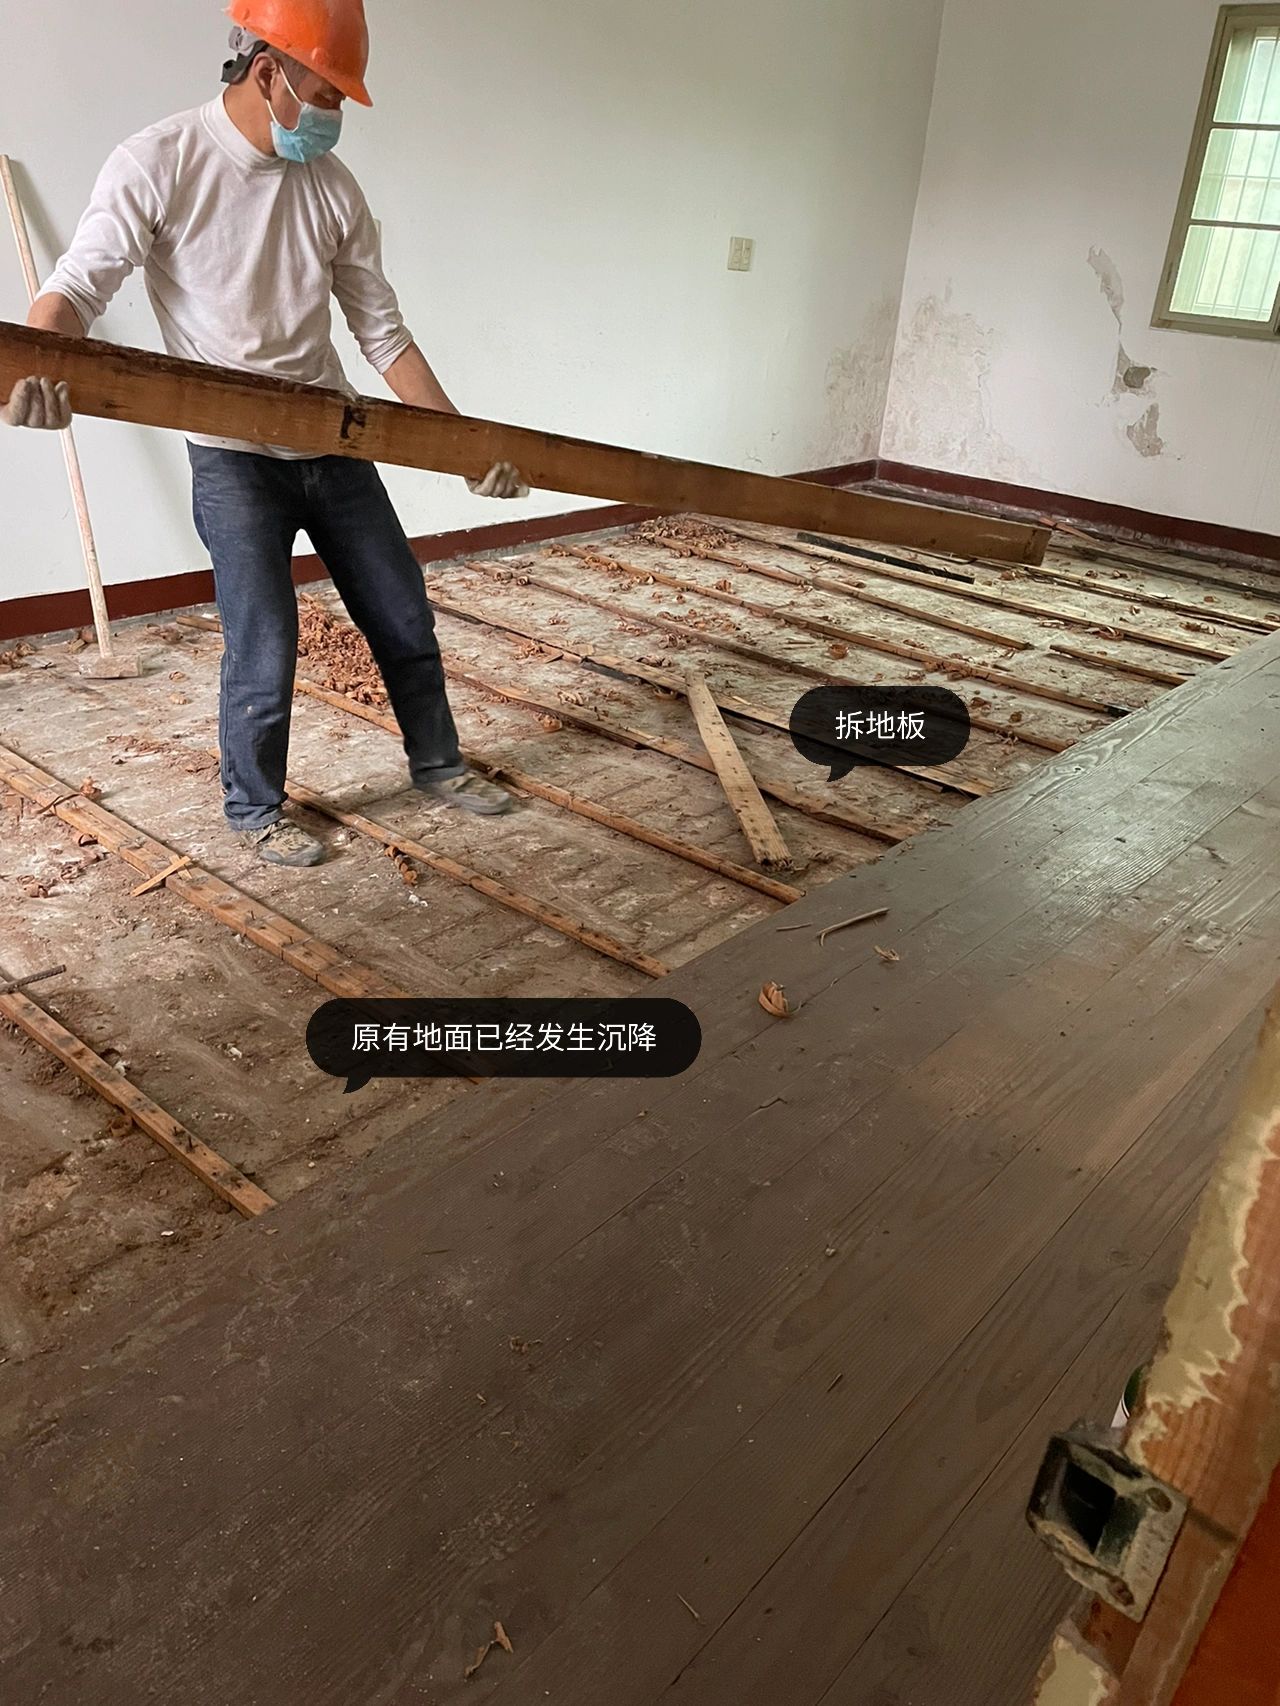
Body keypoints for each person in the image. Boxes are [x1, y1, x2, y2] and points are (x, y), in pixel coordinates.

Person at [1, 0, 528, 866]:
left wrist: (462, 445)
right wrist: (35, 365)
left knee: (402, 610)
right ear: (267, 71)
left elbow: (384, 336)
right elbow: (77, 290)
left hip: (334, 439)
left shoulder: (333, 189)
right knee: (264, 643)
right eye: (326, 94)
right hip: (233, 458)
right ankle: (255, 809)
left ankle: (439, 763)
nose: (334, 115)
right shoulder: (163, 161)